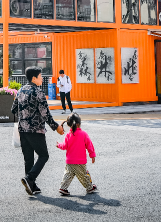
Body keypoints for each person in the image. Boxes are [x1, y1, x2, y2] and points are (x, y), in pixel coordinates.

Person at [12, 66, 64, 196]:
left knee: (28, 159)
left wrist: (24, 116)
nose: (42, 78)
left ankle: (31, 186)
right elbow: (45, 113)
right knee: (44, 155)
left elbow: (13, 109)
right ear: (34, 78)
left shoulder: (21, 90)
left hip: (22, 130)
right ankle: (30, 178)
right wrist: (56, 127)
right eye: (40, 76)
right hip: (35, 130)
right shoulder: (38, 92)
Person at [57, 112, 97, 196]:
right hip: (80, 162)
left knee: (68, 175)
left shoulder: (68, 135)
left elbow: (64, 146)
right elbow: (89, 145)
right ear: (79, 123)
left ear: (69, 125)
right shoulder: (84, 134)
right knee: (84, 175)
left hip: (70, 161)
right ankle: (89, 188)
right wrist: (92, 155)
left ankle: (63, 188)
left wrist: (58, 145)